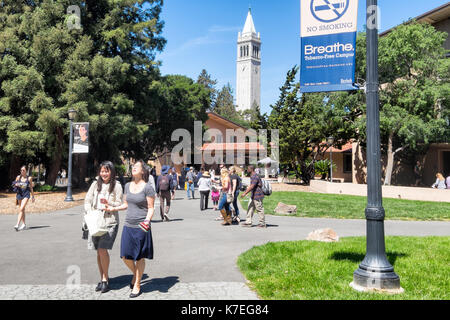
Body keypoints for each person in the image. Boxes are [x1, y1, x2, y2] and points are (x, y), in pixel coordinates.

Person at [105, 160, 156, 298]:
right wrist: (113, 208)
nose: (133, 168)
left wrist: (147, 220)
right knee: (125, 256)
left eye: (137, 167)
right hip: (128, 225)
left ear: (143, 171)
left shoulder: (148, 188)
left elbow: (151, 207)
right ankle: (136, 274)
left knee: (139, 257)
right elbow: (126, 204)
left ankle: (137, 285)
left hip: (141, 226)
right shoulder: (127, 185)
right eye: (133, 166)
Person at [84, 161, 123, 294]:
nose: (104, 173)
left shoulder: (117, 185)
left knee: (102, 249)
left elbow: (119, 202)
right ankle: (102, 278)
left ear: (111, 172)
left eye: (106, 171)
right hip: (95, 221)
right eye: (102, 171)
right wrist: (89, 212)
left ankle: (105, 279)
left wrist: (109, 202)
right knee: (98, 251)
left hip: (110, 221)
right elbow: (88, 199)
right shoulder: (95, 184)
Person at [12, 166, 35, 231]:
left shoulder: (29, 178)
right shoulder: (18, 177)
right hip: (19, 194)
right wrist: (16, 184)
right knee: (22, 210)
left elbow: (31, 187)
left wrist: (33, 196)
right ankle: (24, 224)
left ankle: (17, 224)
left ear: (26, 171)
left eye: (23, 170)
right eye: (21, 170)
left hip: (26, 194)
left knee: (21, 208)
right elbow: (14, 184)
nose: (22, 171)